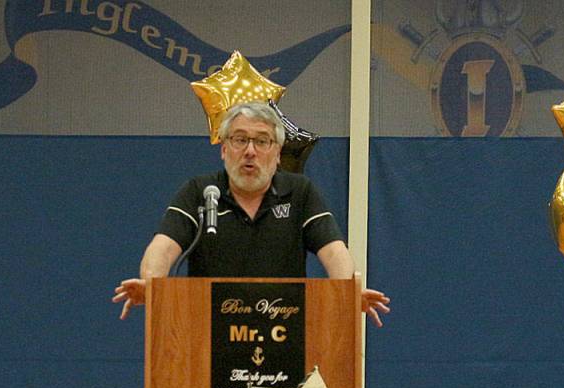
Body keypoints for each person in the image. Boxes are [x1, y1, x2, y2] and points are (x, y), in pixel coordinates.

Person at [113, 102, 390, 325]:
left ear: (278, 153)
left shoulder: (299, 192)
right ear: (224, 149)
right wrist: (152, 285)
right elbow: (163, 247)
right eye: (240, 140)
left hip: (282, 331)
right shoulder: (201, 192)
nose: (250, 151)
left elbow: (334, 250)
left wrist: (346, 292)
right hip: (208, 332)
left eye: (262, 141)